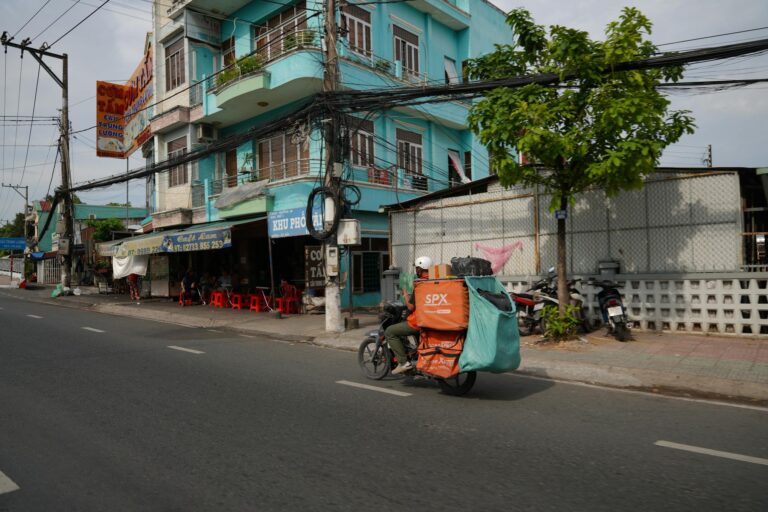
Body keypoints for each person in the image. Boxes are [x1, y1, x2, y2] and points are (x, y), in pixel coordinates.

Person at [384, 256, 431, 375]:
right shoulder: (433, 282)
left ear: (420, 269)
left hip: (417, 321)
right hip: (430, 320)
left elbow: (411, 307)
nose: (416, 271)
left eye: (417, 269)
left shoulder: (420, 284)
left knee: (390, 331)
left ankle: (403, 363)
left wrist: (404, 293)